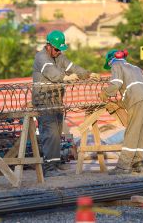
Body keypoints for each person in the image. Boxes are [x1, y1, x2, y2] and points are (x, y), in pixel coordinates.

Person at [32, 30, 100, 177]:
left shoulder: (59, 57)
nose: (58, 52)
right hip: (44, 101)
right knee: (49, 134)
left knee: (56, 134)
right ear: (48, 46)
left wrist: (87, 74)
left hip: (56, 100)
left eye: (60, 50)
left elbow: (72, 67)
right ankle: (49, 169)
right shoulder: (41, 57)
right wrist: (67, 78)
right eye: (56, 49)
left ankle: (55, 164)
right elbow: (53, 73)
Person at [99, 48, 143, 175]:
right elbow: (133, 88)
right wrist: (120, 103)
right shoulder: (134, 67)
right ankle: (138, 164)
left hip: (137, 98)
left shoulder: (116, 65)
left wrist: (105, 93)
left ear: (110, 60)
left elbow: (116, 84)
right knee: (141, 131)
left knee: (132, 131)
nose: (109, 67)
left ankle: (123, 166)